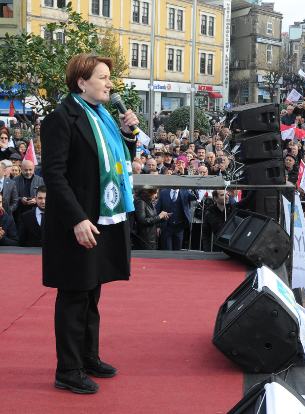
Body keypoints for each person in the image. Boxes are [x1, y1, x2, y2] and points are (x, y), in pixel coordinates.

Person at [40, 54, 140, 394]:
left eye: (109, 78)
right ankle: (68, 370)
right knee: (74, 294)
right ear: (82, 82)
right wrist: (77, 219)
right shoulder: (61, 119)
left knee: (92, 291)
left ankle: (88, 356)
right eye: (103, 77)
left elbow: (117, 159)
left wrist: (128, 135)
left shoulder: (104, 118)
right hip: (77, 223)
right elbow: (54, 175)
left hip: (102, 217)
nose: (109, 84)